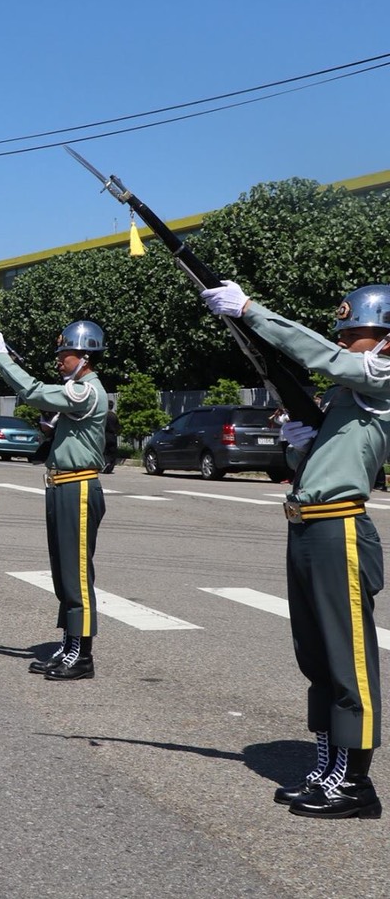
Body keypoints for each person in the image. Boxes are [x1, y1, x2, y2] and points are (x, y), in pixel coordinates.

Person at [202, 280, 390, 818]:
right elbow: (321, 465)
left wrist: (251, 311)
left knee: (348, 660)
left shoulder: (380, 376)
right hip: (306, 526)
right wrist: (300, 447)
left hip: (340, 531)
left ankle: (355, 783)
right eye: (344, 332)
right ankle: (328, 766)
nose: (346, 340)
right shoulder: (345, 395)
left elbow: (323, 357)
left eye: (357, 332)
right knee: (317, 658)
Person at [0, 322, 108, 681]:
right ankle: (69, 644)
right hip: (62, 486)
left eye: (64, 354)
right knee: (64, 572)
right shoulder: (76, 391)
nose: (59, 360)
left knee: (76, 574)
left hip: (78, 487)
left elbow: (33, 391)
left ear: (84, 357)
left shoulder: (87, 391)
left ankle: (82, 654)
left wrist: (1, 356)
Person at [103, 407, 121, 475]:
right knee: (113, 452)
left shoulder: (104, 415)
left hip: (105, 435)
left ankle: (106, 463)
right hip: (113, 436)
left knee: (105, 451)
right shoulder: (114, 416)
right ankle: (110, 467)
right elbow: (118, 427)